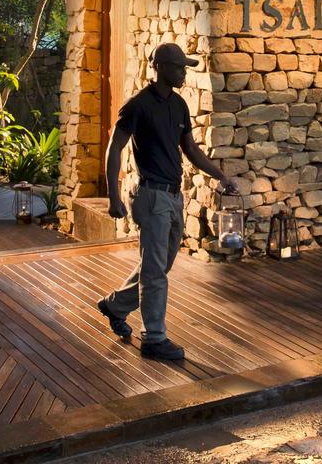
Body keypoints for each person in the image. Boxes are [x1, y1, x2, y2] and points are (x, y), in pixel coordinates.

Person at [96, 42, 239, 361]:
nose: (184, 72)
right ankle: (154, 337)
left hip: (173, 196)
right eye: (179, 67)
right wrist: (113, 196)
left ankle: (116, 305)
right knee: (155, 271)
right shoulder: (137, 106)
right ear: (160, 67)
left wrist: (220, 176)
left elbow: (191, 149)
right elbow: (114, 148)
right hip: (151, 196)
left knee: (158, 266)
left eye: (185, 67)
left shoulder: (179, 105)